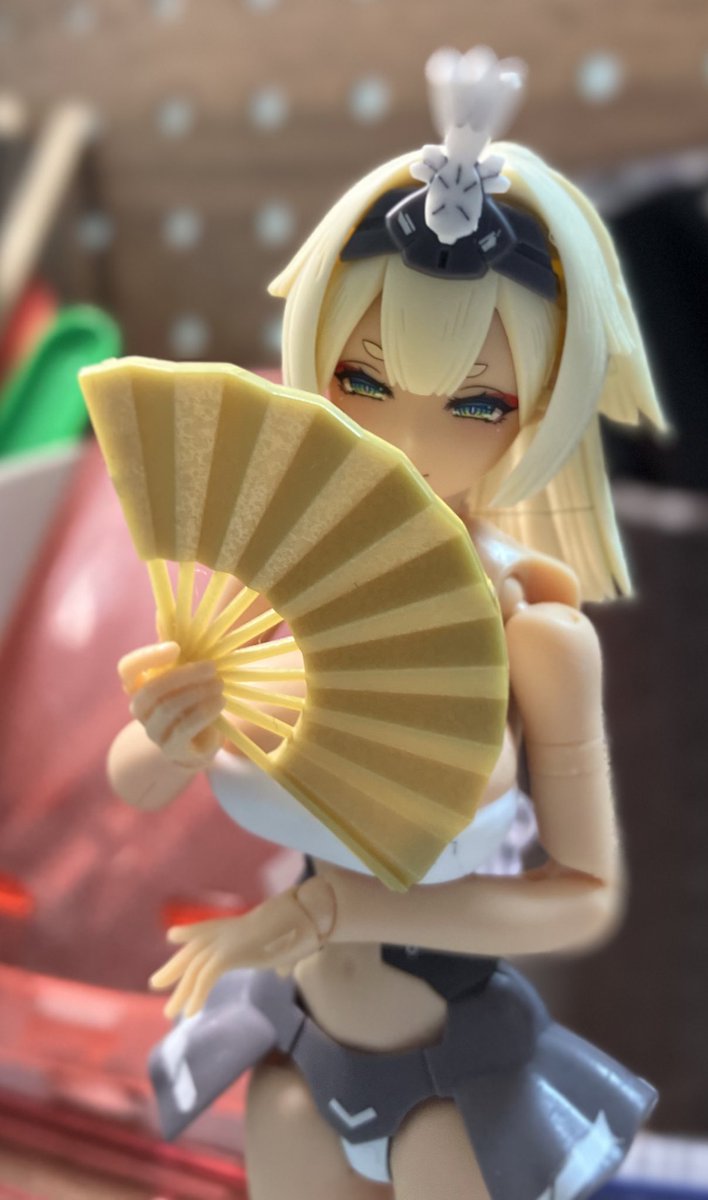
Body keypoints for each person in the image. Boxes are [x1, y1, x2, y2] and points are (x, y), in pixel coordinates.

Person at [107, 48, 664, 1200]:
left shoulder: (534, 638)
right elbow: (143, 783)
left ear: (534, 413)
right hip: (305, 1048)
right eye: (362, 382)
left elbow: (585, 894)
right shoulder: (271, 599)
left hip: (455, 1069)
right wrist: (165, 733)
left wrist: (332, 907)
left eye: (475, 402)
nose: (407, 440)